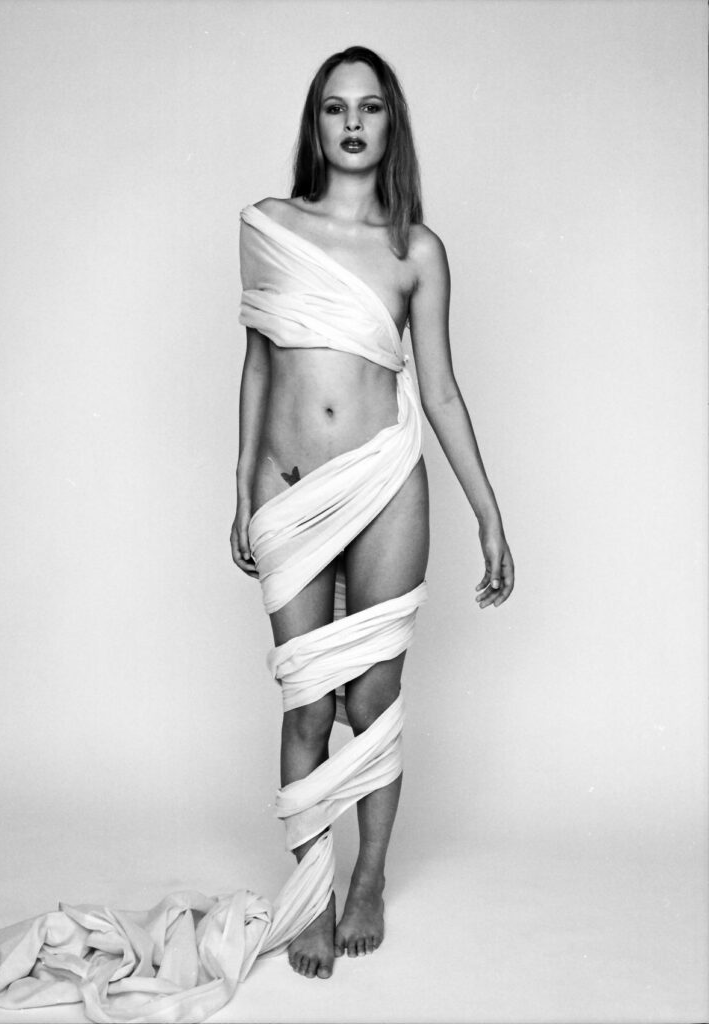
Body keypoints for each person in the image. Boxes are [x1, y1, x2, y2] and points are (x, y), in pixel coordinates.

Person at [231, 45, 514, 983]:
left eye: (370, 108)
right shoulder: (271, 226)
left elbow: (440, 391)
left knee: (371, 700)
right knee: (308, 701)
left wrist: (489, 513)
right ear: (315, 125)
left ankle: (368, 882)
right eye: (335, 108)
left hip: (386, 484)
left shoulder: (415, 250)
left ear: (391, 124)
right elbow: (260, 362)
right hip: (290, 491)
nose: (352, 123)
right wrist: (241, 484)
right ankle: (313, 892)